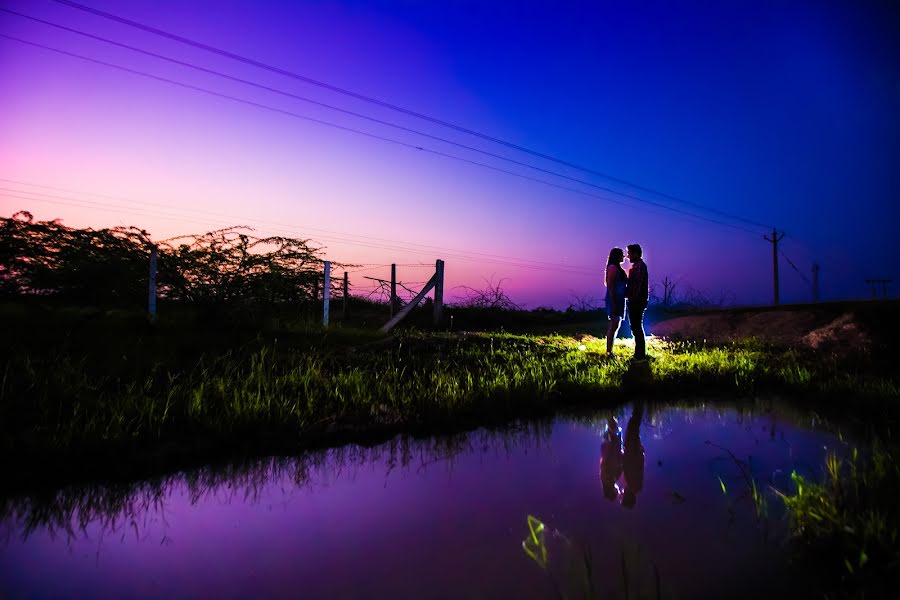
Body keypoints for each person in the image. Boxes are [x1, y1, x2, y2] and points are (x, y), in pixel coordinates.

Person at [626, 244, 649, 361]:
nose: (628, 256)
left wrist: (633, 301)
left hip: (637, 302)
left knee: (637, 327)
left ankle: (640, 355)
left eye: (629, 253)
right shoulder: (636, 267)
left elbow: (638, 287)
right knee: (635, 327)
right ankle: (638, 354)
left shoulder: (640, 267)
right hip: (635, 302)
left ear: (635, 253)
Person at [622, 402, 645, 509]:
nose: (622, 492)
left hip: (634, 448)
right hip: (631, 448)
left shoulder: (637, 486)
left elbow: (640, 465)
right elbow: (628, 464)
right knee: (633, 424)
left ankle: (639, 404)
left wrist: (641, 451)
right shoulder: (632, 483)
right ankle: (640, 402)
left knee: (634, 424)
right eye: (623, 496)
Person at [604, 247, 627, 356]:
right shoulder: (613, 268)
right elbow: (611, 286)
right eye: (622, 254)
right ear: (617, 256)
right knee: (613, 324)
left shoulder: (617, 268)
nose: (624, 257)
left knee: (616, 324)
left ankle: (610, 350)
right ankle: (609, 351)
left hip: (619, 299)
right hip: (614, 299)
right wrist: (613, 302)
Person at [599, 415, 623, 501]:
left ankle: (610, 415)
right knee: (613, 431)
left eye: (617, 492)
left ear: (612, 491)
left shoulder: (609, 479)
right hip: (611, 450)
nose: (618, 490)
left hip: (611, 450)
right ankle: (612, 415)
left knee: (612, 432)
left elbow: (608, 463)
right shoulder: (609, 480)